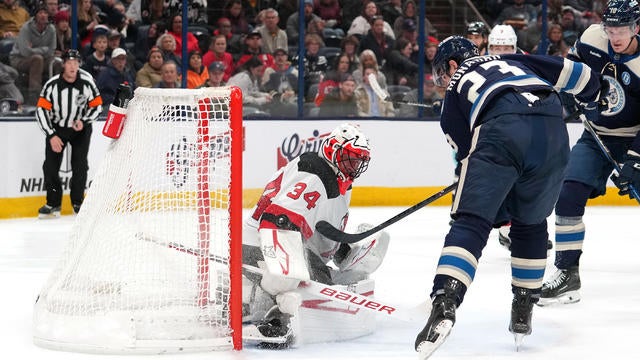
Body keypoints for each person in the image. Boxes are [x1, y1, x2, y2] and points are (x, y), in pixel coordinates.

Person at [413, 36, 608, 359]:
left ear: (451, 65)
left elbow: (470, 163)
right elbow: (577, 74)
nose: (442, 82)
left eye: (441, 75)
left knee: (471, 221)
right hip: (553, 128)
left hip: (501, 129)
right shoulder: (515, 60)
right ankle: (524, 307)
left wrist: (494, 213)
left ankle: (445, 302)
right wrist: (594, 95)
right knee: (531, 222)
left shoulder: (451, 101)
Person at [242, 123, 387, 348]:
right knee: (296, 280)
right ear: (332, 150)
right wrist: (290, 271)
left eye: (359, 160)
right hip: (260, 243)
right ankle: (276, 310)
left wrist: (340, 251)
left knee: (327, 279)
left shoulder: (336, 177)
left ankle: (295, 285)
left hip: (286, 239)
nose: (354, 166)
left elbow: (320, 226)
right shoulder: (314, 172)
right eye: (350, 157)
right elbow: (278, 220)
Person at [537, 0, 640, 306]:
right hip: (597, 137)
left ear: (637, 27)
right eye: (610, 29)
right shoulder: (594, 38)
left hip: (634, 138)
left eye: (622, 29)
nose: (615, 36)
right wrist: (569, 96)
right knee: (568, 193)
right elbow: (572, 68)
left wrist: (636, 160)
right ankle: (567, 274)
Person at [36, 49, 103, 218]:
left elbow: (97, 106)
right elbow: (41, 111)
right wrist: (51, 135)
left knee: (80, 165)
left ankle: (78, 202)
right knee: (50, 166)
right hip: (58, 129)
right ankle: (53, 203)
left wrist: (85, 121)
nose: (73, 66)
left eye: (76, 62)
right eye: (69, 63)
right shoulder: (52, 85)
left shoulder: (87, 82)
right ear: (63, 64)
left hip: (80, 129)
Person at [9, 3, 56, 104]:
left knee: (57, 62)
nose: (43, 15)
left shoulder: (51, 29)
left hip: (40, 58)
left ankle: (57, 95)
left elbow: (52, 50)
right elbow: (25, 52)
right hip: (19, 59)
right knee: (37, 59)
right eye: (40, 13)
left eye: (45, 13)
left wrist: (35, 49)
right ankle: (34, 98)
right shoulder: (26, 28)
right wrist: (44, 49)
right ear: (35, 16)